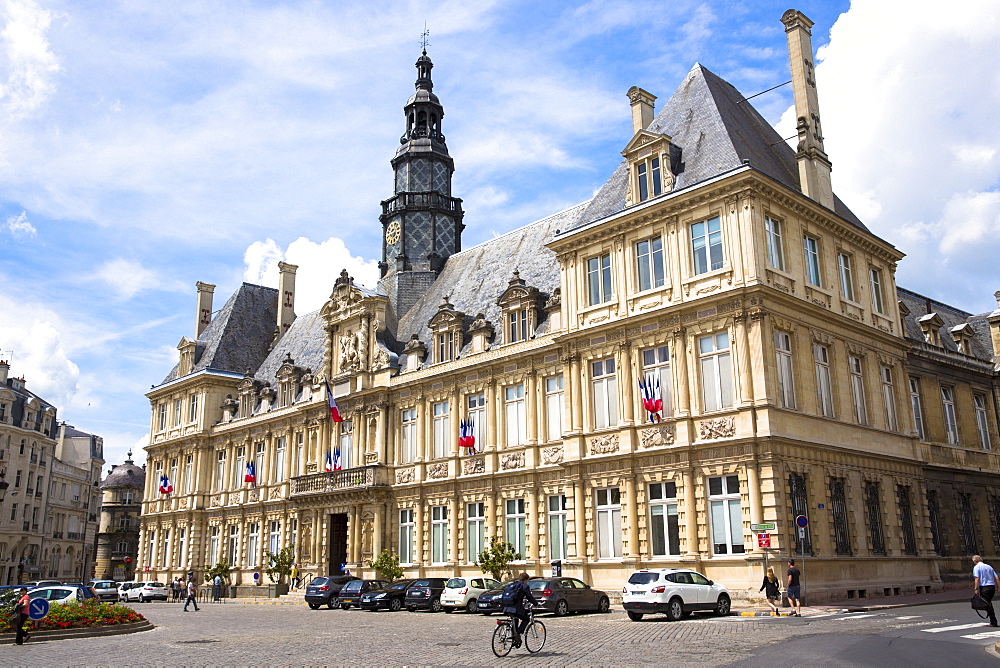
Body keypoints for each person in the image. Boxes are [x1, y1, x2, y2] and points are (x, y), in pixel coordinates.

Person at [501, 572, 538, 648]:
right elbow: (529, 597)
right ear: (526, 580)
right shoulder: (524, 586)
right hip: (516, 608)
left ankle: (515, 637)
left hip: (507, 607)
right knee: (526, 618)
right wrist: (536, 604)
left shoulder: (512, 585)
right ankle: (518, 633)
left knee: (515, 620)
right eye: (527, 580)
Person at [973, 555, 998, 627]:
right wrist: (998, 587)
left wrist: (976, 588)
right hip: (992, 587)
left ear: (975, 561)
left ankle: (993, 621)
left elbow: (977, 578)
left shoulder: (977, 567)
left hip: (984, 587)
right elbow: (996, 578)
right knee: (988, 603)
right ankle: (992, 620)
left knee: (987, 604)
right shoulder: (989, 566)